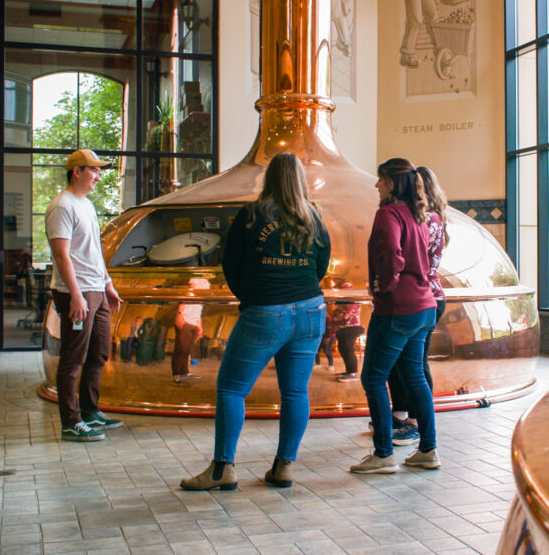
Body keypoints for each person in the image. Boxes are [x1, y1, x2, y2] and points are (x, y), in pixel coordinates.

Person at [181, 152, 331, 491]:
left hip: (266, 309)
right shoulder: (314, 217)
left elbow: (231, 265)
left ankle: (223, 470)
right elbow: (322, 264)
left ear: (270, 178)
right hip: (310, 310)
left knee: (232, 388)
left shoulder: (251, 215)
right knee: (295, 391)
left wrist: (251, 296)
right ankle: (284, 467)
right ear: (300, 179)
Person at [350, 158, 439, 474]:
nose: (376, 185)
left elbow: (392, 255)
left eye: (380, 180)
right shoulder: (418, 214)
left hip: (397, 308)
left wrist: (383, 286)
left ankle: (384, 453)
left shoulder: (387, 213)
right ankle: (428, 450)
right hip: (424, 305)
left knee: (373, 377)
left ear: (391, 183)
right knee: (415, 375)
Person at [46, 149, 124, 442]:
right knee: (73, 359)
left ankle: (91, 412)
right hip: (75, 293)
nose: (98, 176)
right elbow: (61, 254)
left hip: (96, 290)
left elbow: (94, 252)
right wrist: (77, 296)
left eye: (99, 171)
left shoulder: (86, 205)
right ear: (76, 171)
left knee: (99, 353)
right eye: (93, 170)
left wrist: (108, 283)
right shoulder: (62, 206)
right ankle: (71, 422)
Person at [385, 166, 448, 445]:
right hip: (425, 297)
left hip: (425, 297)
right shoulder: (424, 217)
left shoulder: (427, 219)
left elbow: (409, 258)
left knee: (417, 366)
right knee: (401, 363)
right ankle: (400, 414)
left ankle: (416, 423)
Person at [172, 278, 208, 382]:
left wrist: (200, 326)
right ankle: (176, 373)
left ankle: (185, 372)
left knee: (188, 350)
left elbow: (198, 312)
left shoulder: (202, 297)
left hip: (194, 324)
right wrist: (179, 316)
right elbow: (182, 303)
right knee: (180, 349)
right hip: (185, 322)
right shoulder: (189, 292)